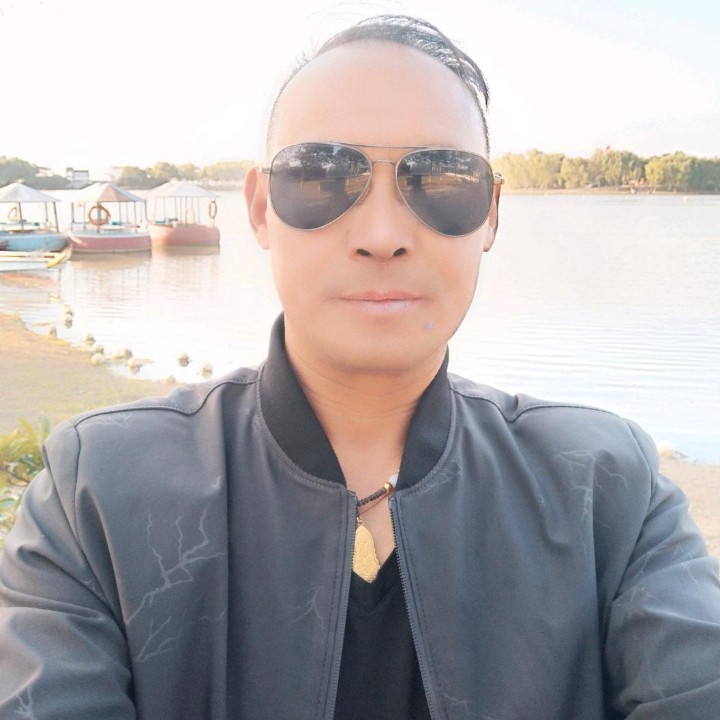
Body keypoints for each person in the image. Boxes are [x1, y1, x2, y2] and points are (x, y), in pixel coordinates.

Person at [1, 14, 719, 720]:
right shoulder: (98, 494)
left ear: (492, 214)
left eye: (442, 179)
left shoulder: (605, 491)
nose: (382, 235)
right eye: (320, 176)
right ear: (260, 209)